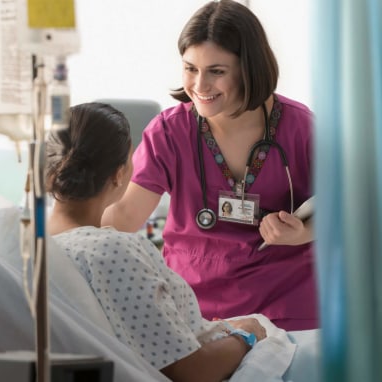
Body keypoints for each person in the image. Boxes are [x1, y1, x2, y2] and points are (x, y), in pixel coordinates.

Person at [102, 0, 318, 331]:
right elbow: (125, 217)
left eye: (216, 71)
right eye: (191, 68)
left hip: (284, 307)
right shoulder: (170, 132)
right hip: (191, 309)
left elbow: (349, 216)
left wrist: (303, 233)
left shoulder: (302, 129)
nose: (200, 87)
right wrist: (62, 220)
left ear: (250, 69)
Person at [45, 102, 267, 382]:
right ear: (119, 174)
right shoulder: (113, 252)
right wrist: (246, 335)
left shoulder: (37, 245)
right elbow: (193, 370)